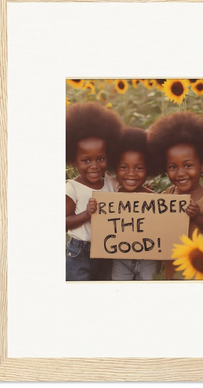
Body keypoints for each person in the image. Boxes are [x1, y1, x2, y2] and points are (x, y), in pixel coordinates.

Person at [65, 102, 124, 281]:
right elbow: (64, 222)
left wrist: (145, 192)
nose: (94, 166)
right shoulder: (72, 188)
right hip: (79, 253)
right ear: (73, 160)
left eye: (100, 159)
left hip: (107, 250)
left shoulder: (111, 183)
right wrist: (86, 214)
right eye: (86, 160)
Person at [147, 111, 203, 279]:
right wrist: (149, 197)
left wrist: (197, 217)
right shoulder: (168, 193)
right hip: (171, 267)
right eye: (173, 167)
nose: (180, 173)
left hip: (199, 269)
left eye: (188, 166)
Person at [110, 127, 159, 281]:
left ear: (149, 169)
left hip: (149, 258)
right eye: (124, 167)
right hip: (120, 258)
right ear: (115, 168)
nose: (131, 173)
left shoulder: (153, 198)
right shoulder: (111, 198)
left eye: (139, 168)